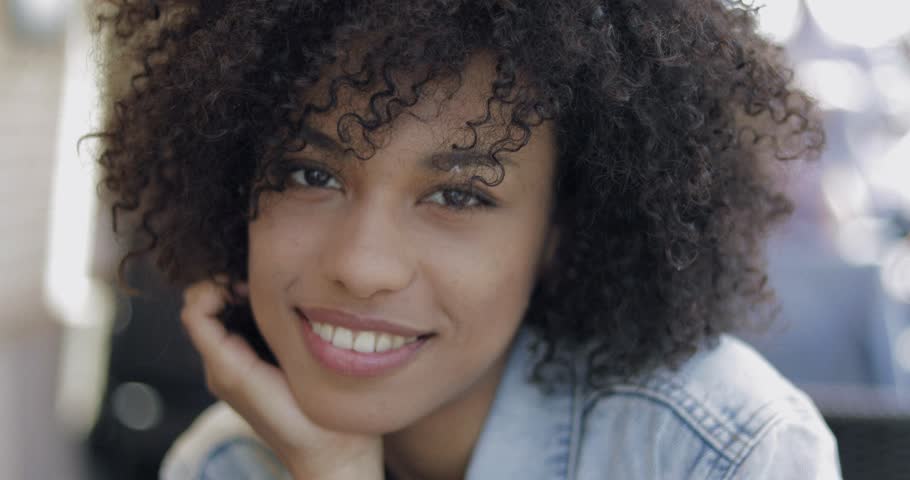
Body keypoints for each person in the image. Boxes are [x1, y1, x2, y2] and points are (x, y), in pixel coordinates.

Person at [91, 0, 840, 478]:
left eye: (459, 194)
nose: (361, 266)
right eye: (308, 174)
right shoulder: (225, 466)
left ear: (560, 231)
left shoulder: (719, 453)